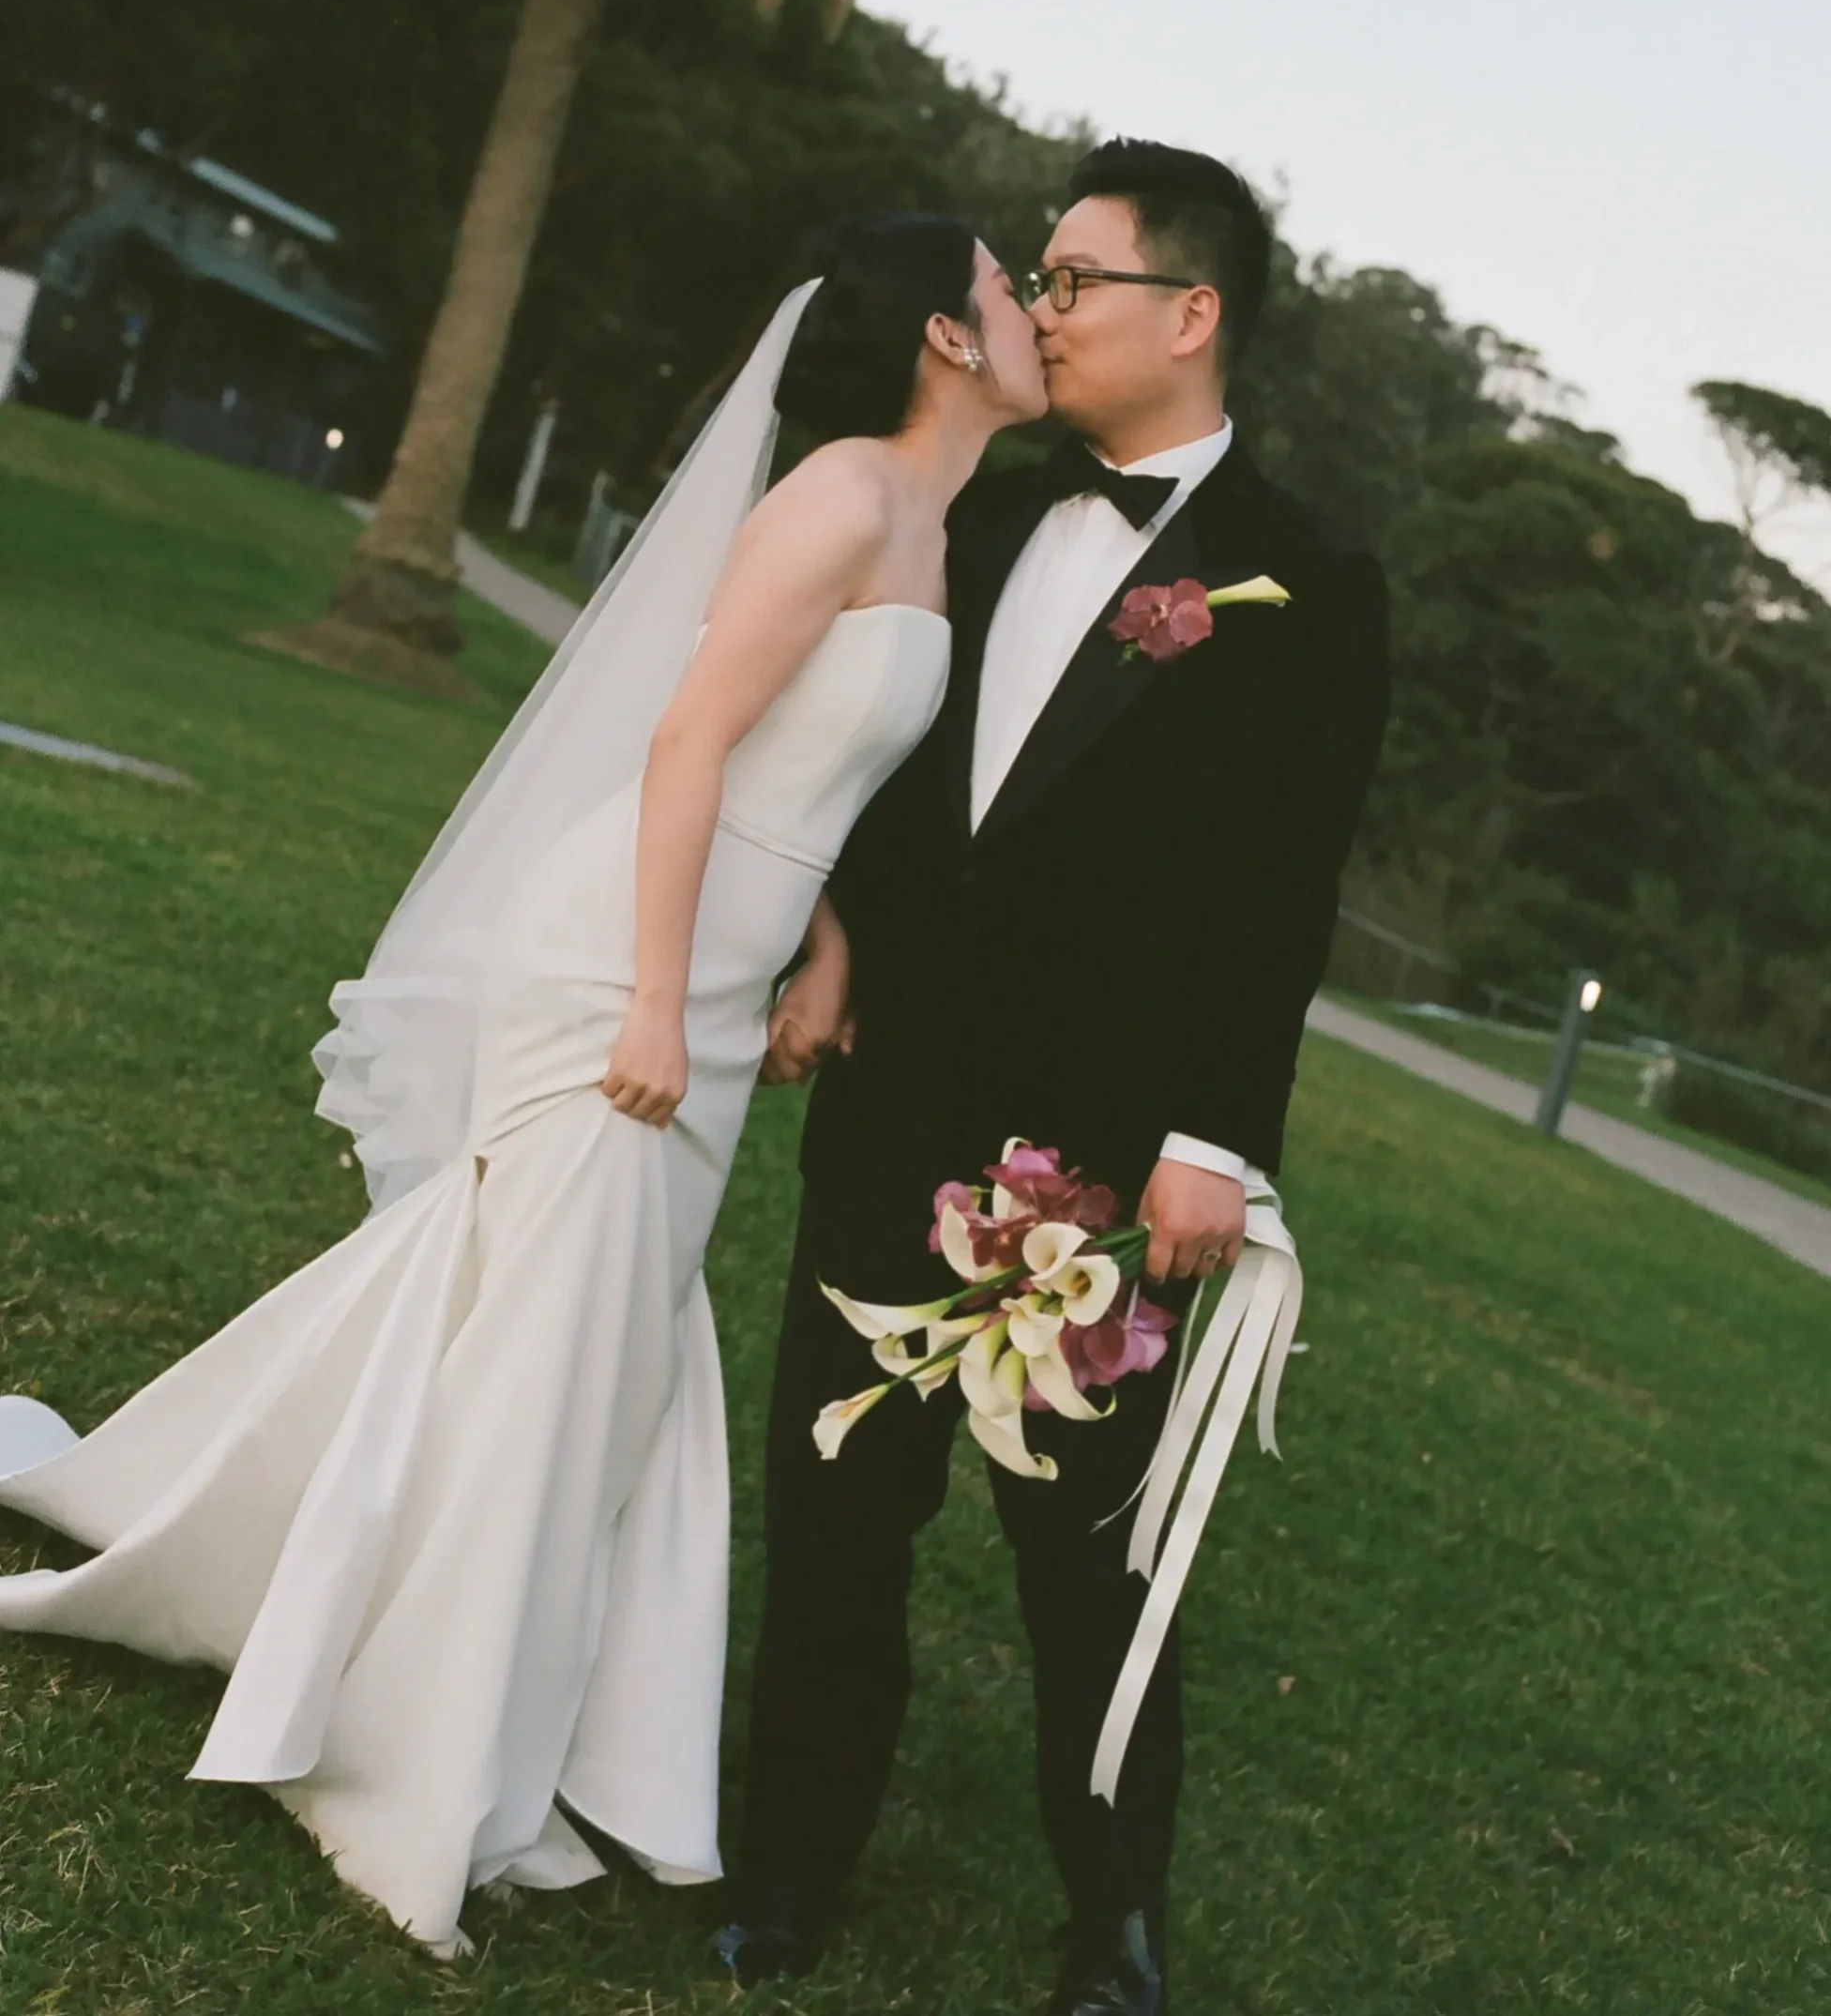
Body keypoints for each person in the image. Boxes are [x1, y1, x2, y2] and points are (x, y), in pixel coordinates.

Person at [0, 216, 1046, 1959]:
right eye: (1016, 288)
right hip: (623, 967)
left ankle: (462, 1676)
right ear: (947, 334)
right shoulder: (844, 498)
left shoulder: (930, 517)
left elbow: (809, 756)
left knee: (577, 1347)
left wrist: (827, 943)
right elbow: (688, 735)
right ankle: (409, 1750)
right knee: (556, 1342)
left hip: (728, 966)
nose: (1035, 312)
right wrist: (650, 995)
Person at [724, 141, 1392, 2015]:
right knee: (839, 1514)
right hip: (896, 1111)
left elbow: (1280, 900)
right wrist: (837, 928)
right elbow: (879, 761)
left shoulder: (1310, 581)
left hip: (1097, 1176)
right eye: (1040, 273)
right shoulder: (993, 509)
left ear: (1194, 313)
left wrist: (1209, 1148)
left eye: (1079, 277)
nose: (1044, 304)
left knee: (1092, 1572)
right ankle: (785, 1880)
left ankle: (1111, 1928)